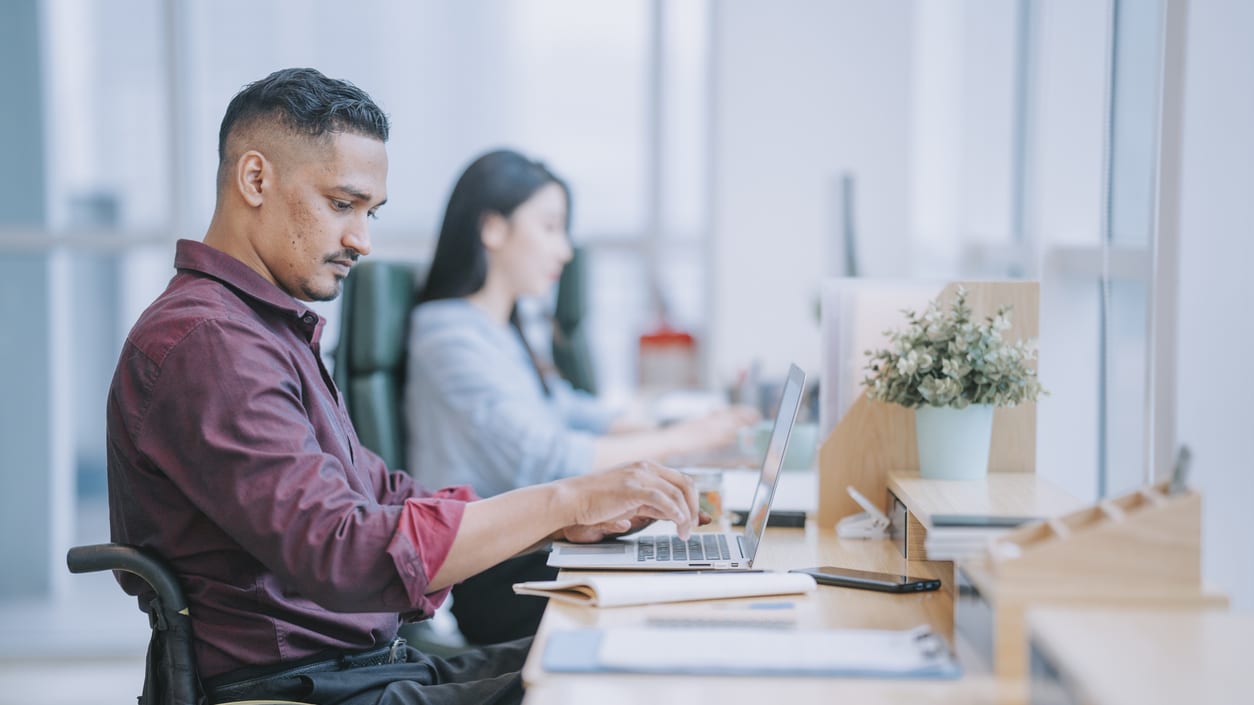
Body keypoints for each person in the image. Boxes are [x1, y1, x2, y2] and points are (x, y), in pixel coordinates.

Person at [106, 67, 701, 705]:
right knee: (620, 687)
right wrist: (565, 503)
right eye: (342, 204)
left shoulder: (260, 329)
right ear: (256, 179)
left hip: (362, 667)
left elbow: (381, 492)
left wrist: (560, 525)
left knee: (627, 650)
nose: (362, 240)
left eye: (370, 212)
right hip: (300, 686)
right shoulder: (209, 345)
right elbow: (345, 551)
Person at [403, 149, 757, 645]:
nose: (564, 251)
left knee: (697, 580)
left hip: (540, 543)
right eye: (550, 227)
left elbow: (565, 408)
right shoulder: (447, 333)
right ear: (493, 228)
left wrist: (669, 433)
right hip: (497, 573)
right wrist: (682, 438)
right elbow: (546, 455)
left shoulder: (507, 326)